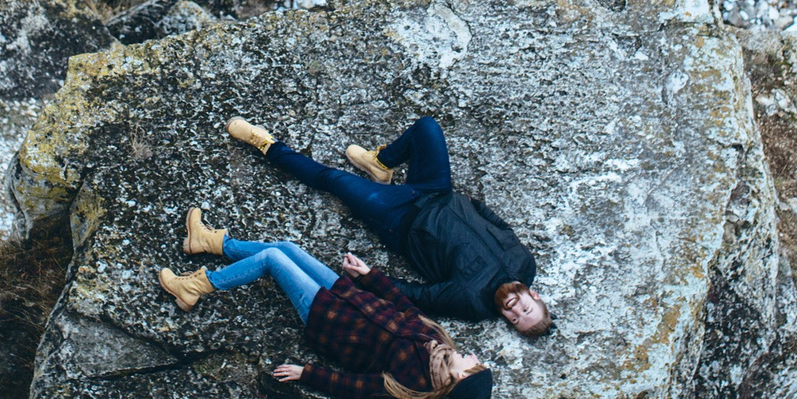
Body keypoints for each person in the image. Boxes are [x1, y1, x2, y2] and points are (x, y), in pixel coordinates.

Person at [155, 207, 496, 399]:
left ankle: (197, 287)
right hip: (348, 293)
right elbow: (404, 307)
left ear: (459, 379)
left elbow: (356, 387)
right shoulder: (441, 344)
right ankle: (209, 242)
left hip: (327, 316)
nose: (472, 356)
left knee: (273, 259)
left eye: (472, 365)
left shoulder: (414, 382)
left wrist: (307, 374)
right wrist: (367, 275)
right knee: (288, 247)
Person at [224, 114, 551, 336]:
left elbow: (419, 296)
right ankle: (380, 163)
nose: (514, 311)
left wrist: (369, 277)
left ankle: (267, 144)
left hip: (401, 220)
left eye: (514, 320)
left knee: (334, 180)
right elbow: (499, 224)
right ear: (533, 295)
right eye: (525, 309)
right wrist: (469, 205)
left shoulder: (473, 302)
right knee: (427, 127)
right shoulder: (524, 264)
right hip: (438, 192)